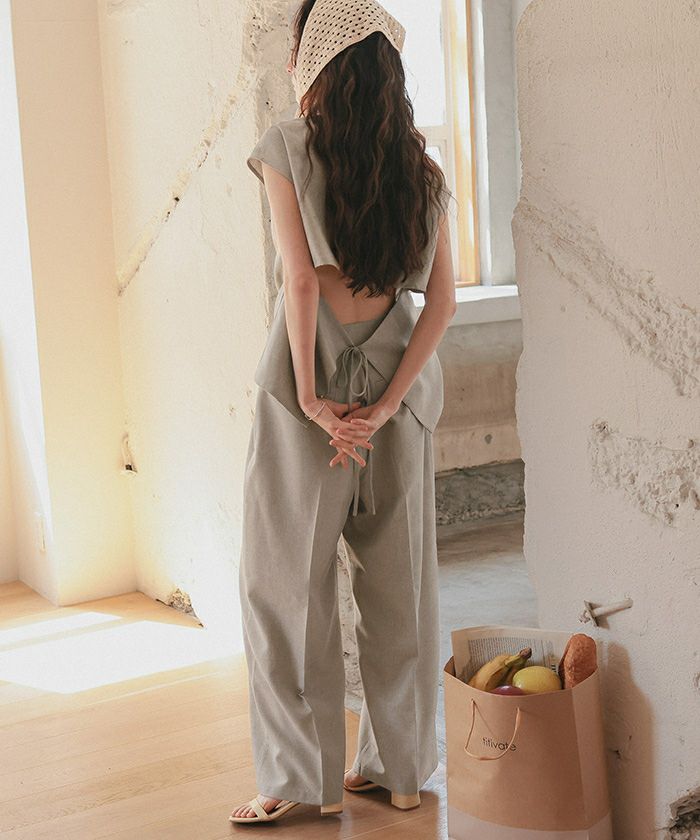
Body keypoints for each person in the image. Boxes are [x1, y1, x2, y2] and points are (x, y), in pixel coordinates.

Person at [230, 0, 457, 825]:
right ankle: (402, 772)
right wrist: (389, 403)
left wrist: (311, 399)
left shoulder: (289, 147)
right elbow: (441, 303)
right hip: (398, 397)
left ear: (314, 57)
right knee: (401, 590)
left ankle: (301, 781)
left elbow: (299, 281)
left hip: (312, 392)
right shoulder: (423, 171)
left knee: (284, 587)